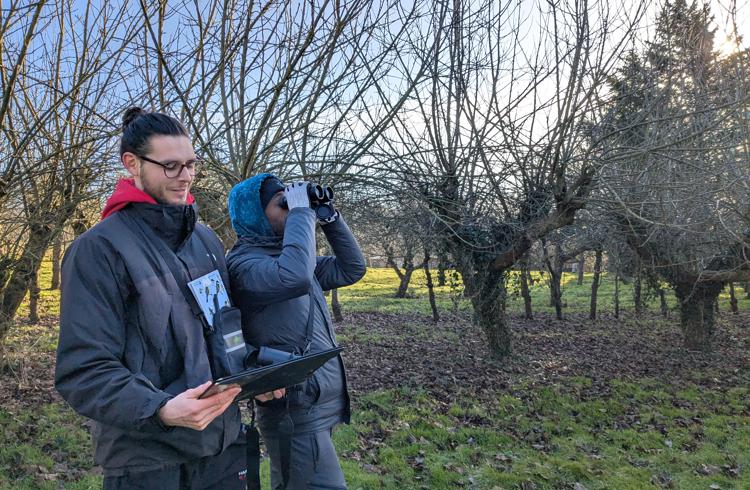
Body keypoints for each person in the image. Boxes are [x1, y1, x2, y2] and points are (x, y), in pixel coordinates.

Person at [55, 107, 281, 489]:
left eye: (191, 165)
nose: (186, 177)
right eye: (172, 166)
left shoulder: (206, 240)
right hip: (148, 460)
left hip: (223, 446)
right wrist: (160, 409)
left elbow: (224, 329)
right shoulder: (98, 249)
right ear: (132, 164)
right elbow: (83, 369)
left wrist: (262, 372)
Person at [226, 174, 366, 489]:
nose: (293, 210)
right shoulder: (245, 265)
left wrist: (329, 218)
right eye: (284, 204)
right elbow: (294, 279)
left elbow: (351, 269)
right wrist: (302, 212)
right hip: (293, 410)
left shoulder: (290, 259)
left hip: (315, 404)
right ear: (256, 214)